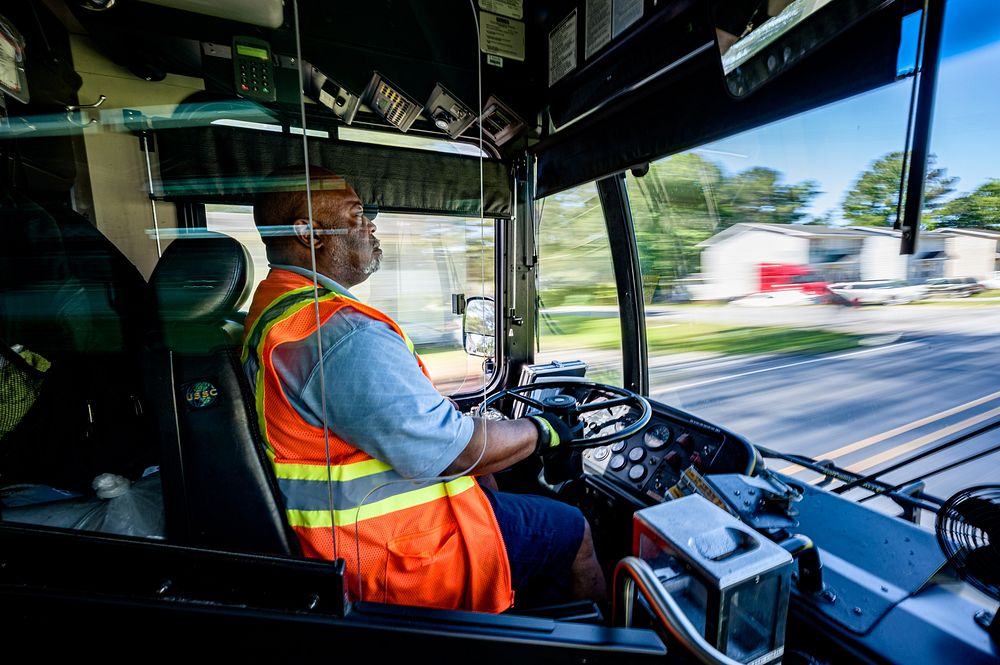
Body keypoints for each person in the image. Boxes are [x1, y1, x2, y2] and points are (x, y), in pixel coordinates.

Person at [242, 165, 605, 613]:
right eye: (356, 215)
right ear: (310, 232)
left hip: (344, 540)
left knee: (498, 487)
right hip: (395, 556)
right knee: (573, 529)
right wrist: (543, 430)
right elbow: (450, 452)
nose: (371, 225)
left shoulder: (275, 310)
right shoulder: (340, 333)